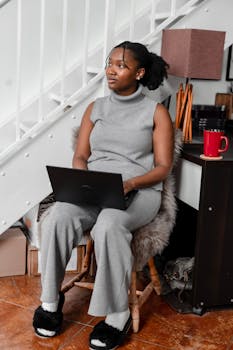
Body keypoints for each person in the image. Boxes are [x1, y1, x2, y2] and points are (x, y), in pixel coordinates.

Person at [33, 40, 174, 350]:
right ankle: (50, 302)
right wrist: (82, 178)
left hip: (139, 190)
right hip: (95, 188)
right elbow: (81, 155)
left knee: (109, 224)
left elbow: (163, 167)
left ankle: (117, 315)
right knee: (57, 216)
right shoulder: (95, 108)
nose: (111, 70)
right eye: (110, 63)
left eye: (120, 65)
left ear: (138, 73)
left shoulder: (156, 113)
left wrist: (131, 183)